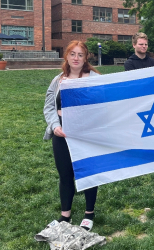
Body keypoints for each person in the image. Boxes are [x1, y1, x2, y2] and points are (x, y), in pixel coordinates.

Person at [43, 40, 100, 231]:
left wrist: (76, 89)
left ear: (86, 58)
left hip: (86, 132)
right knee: (65, 174)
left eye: (80, 55)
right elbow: (49, 106)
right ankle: (65, 215)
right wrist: (54, 125)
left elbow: (100, 105)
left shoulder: (93, 78)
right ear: (66, 56)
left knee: (88, 171)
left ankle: (89, 213)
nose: (76, 58)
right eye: (72, 54)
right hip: (62, 132)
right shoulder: (58, 80)